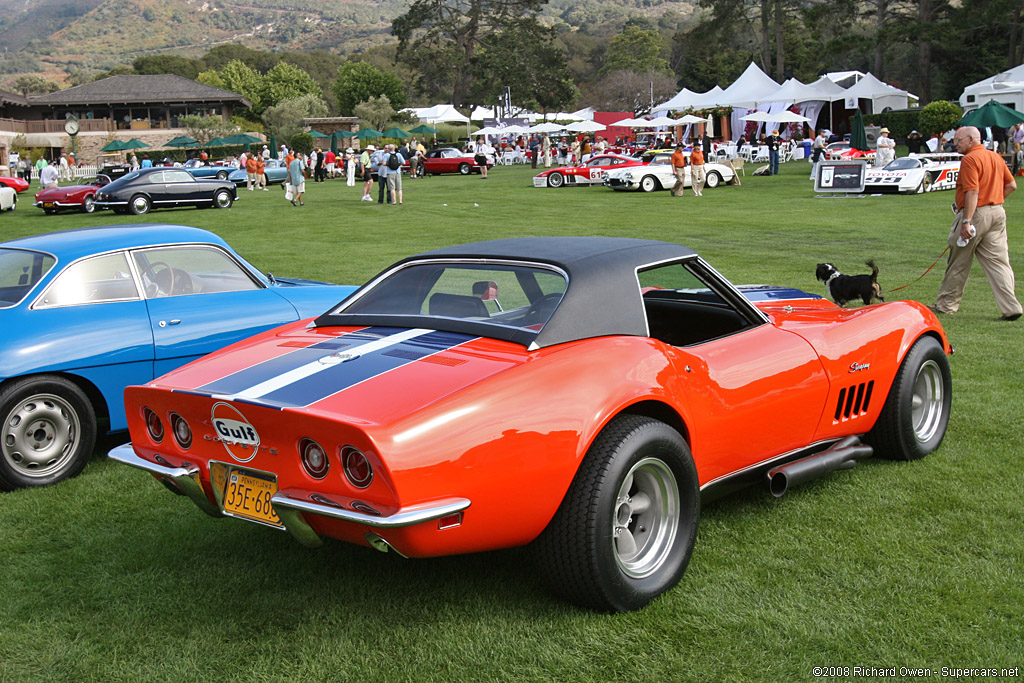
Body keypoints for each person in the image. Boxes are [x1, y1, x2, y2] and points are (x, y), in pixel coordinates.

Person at [934, 126, 1022, 320]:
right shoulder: (995, 156)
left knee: (959, 261)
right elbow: (1012, 185)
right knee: (999, 263)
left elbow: (972, 192)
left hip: (975, 214)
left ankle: (946, 305)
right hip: (997, 212)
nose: (955, 144)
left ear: (972, 139)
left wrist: (966, 221)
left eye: (959, 140)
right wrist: (994, 201)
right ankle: (1011, 307)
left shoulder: (970, 159)